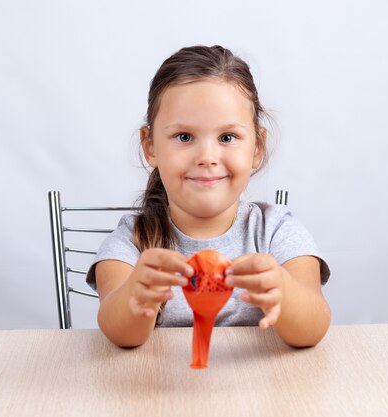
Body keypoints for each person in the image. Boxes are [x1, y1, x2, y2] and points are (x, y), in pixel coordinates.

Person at [87, 45, 331, 348]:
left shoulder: (276, 231)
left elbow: (313, 328)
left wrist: (284, 290)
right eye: (184, 137)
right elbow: (120, 335)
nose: (206, 157)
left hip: (257, 391)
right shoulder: (132, 240)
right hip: (160, 391)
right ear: (150, 147)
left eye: (227, 138)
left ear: (257, 147)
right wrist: (135, 296)